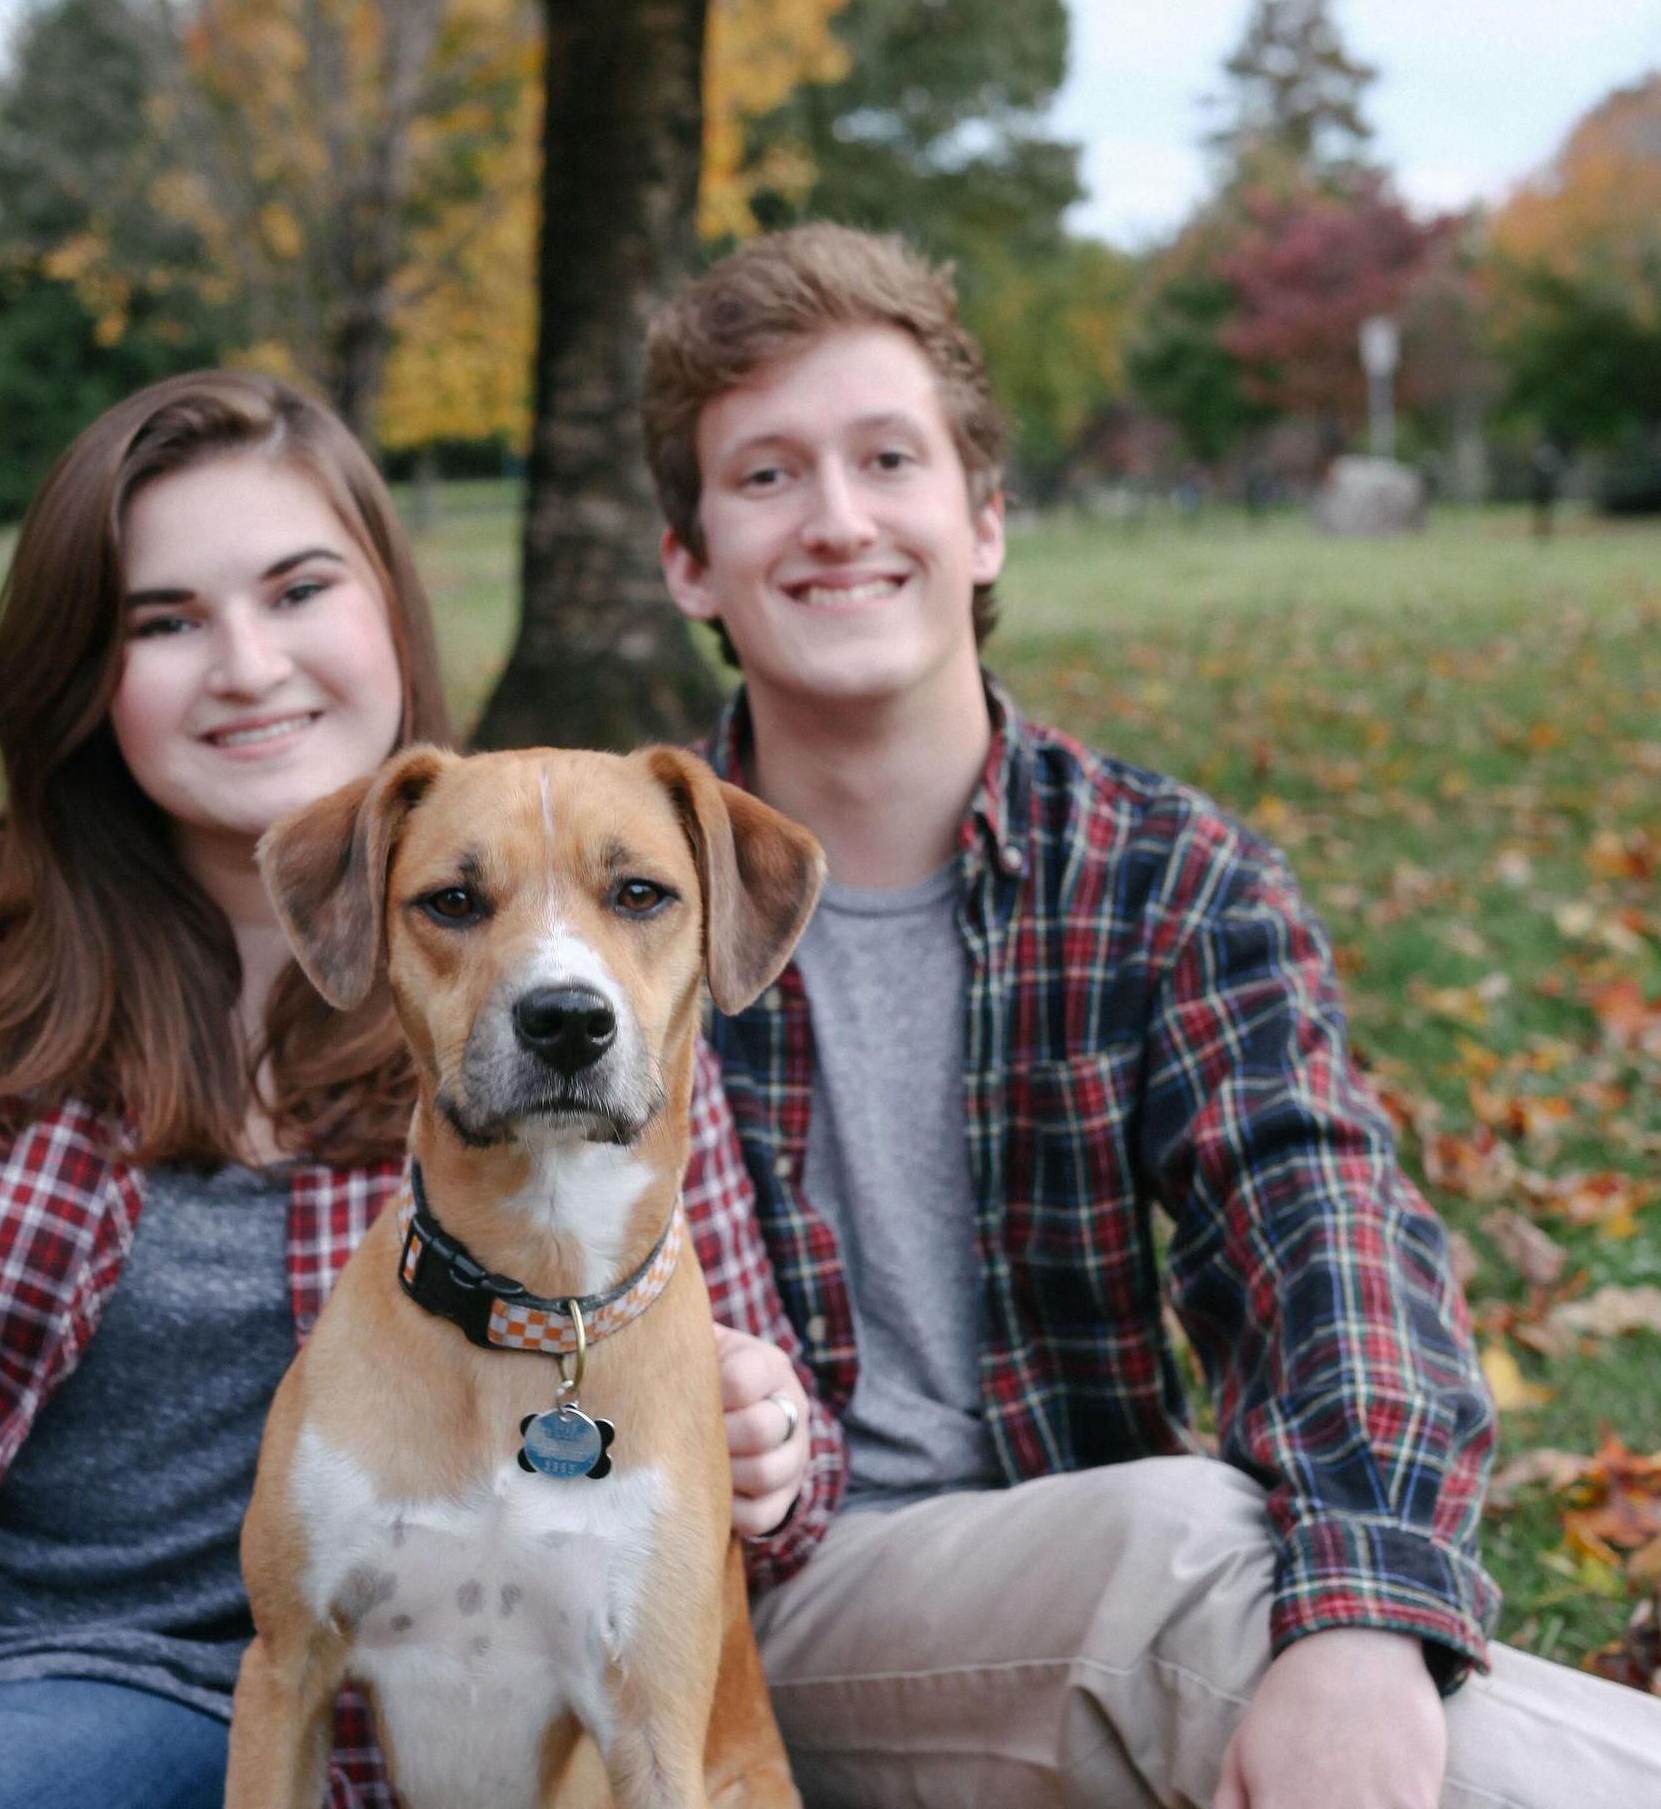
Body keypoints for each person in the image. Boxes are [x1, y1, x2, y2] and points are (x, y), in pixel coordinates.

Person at [0, 370, 840, 1809]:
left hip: (166, 1678)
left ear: (387, 606)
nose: (247, 664)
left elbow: (710, 1398)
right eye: (164, 619)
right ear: (85, 667)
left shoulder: (590, 1005)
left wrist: (772, 1437)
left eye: (297, 588)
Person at [639, 224, 1661, 1809]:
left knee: (1238, 1591)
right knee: (1187, 1551)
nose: (836, 519)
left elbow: (1324, 1233)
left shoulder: (1165, 878)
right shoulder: (610, 905)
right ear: (688, 559)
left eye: (886, 458)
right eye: (765, 476)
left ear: (982, 522)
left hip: (1094, 1600)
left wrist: (1363, 1626)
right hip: (749, 1618)